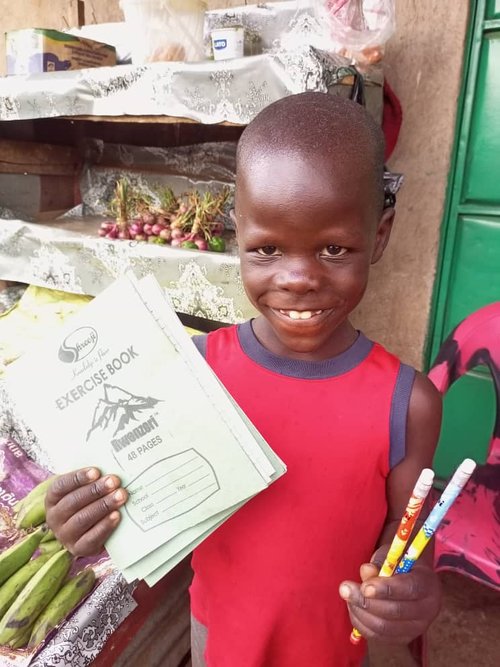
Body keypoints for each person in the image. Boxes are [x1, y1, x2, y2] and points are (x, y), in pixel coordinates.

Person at [45, 92, 443, 667]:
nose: (299, 278)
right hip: (219, 641)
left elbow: (409, 542)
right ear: (238, 236)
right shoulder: (190, 372)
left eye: (334, 248)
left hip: (337, 651)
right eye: (268, 249)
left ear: (378, 236)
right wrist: (84, 518)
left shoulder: (408, 405)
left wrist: (413, 587)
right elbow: (132, 497)